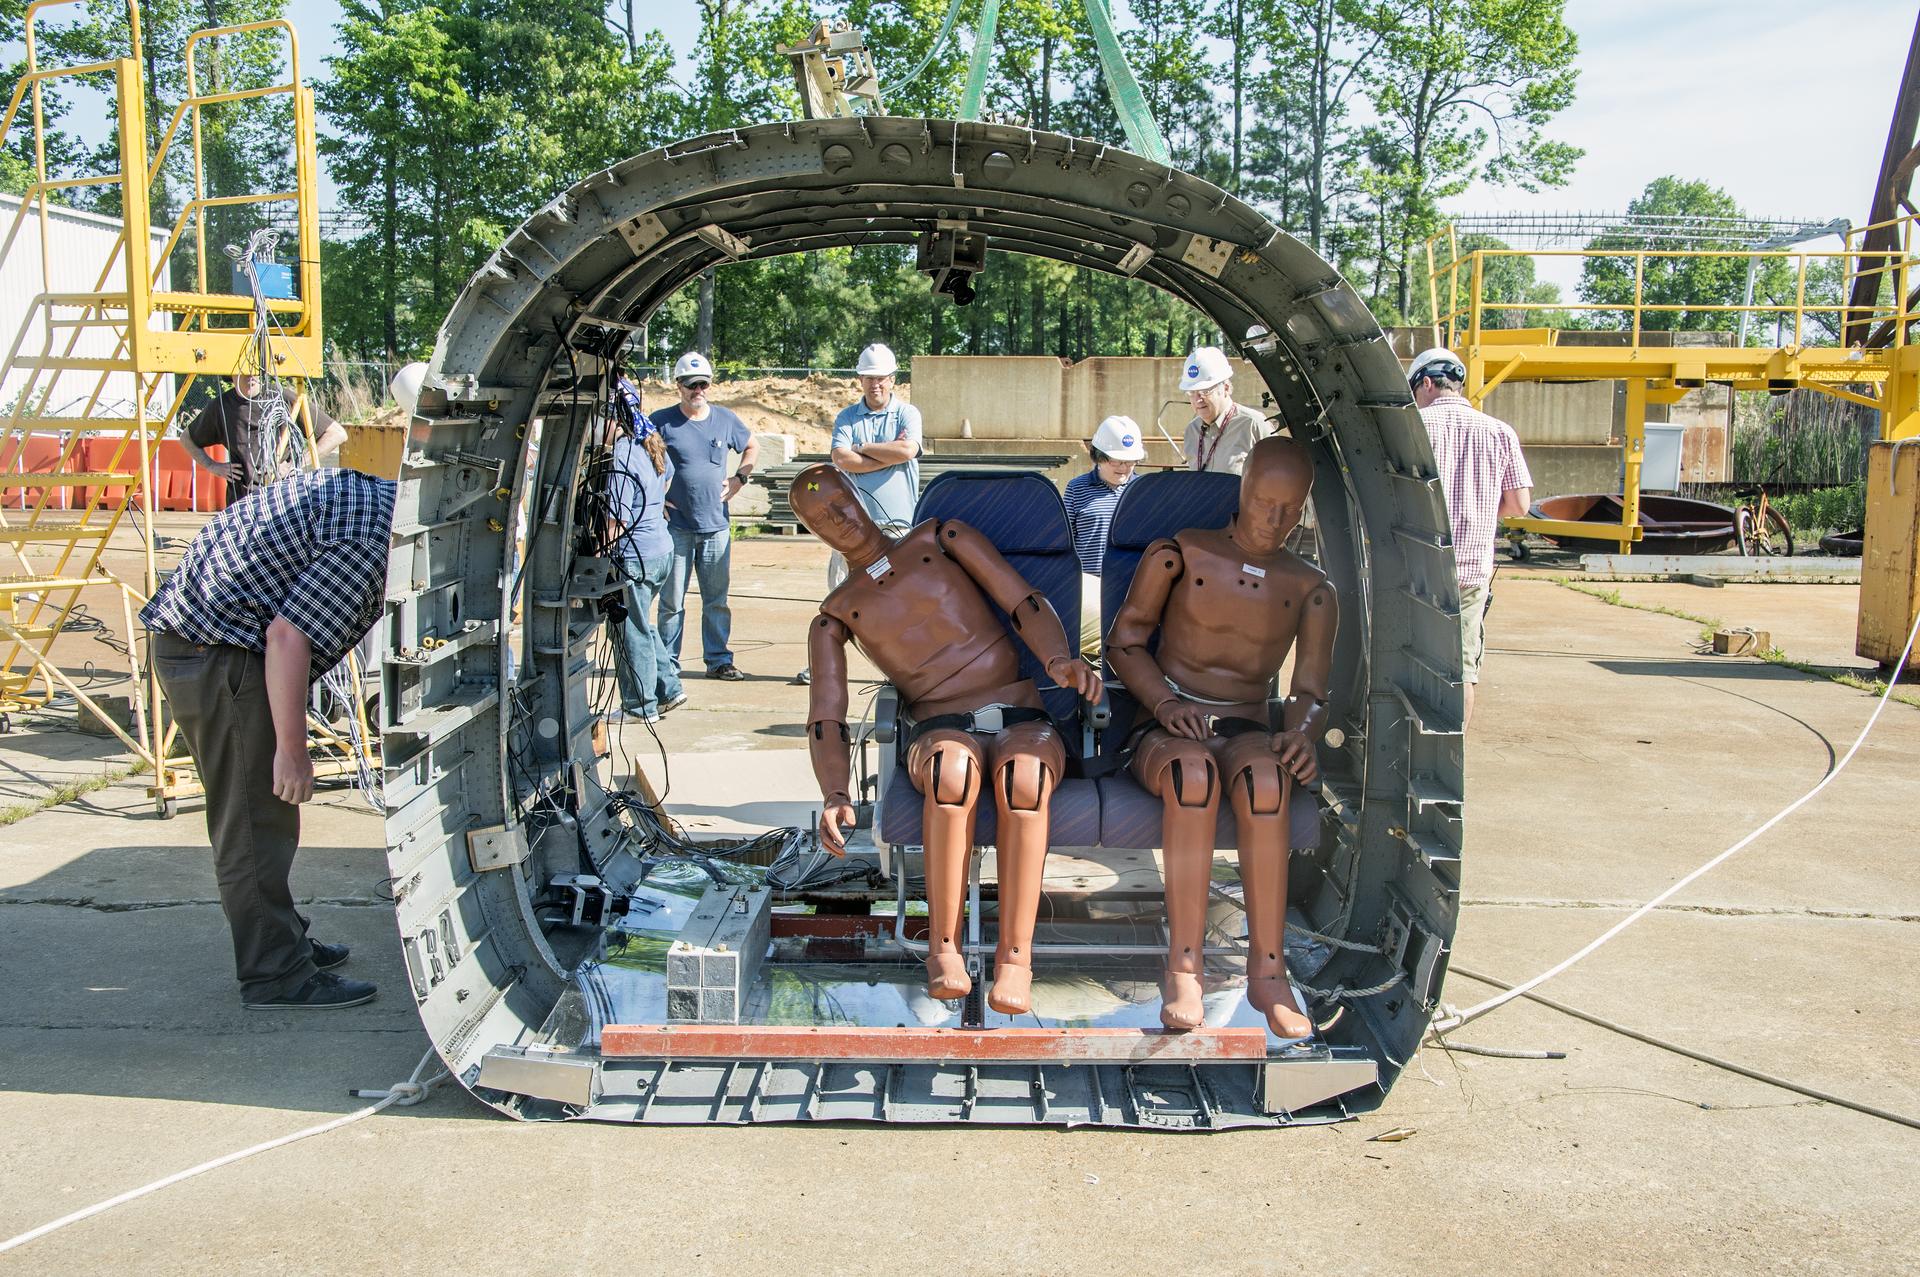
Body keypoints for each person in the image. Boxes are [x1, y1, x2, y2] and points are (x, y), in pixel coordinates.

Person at [792, 465, 1100, 1013]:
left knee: (1025, 775)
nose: (838, 519)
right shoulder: (834, 615)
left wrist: (1057, 657)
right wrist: (835, 790)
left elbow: (1023, 600)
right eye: (821, 519)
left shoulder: (941, 537)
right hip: (938, 727)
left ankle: (1016, 958)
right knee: (949, 773)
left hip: (1020, 709)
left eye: (840, 503)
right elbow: (827, 716)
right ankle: (943, 948)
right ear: (813, 533)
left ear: (858, 495)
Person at [139, 468, 394, 1010]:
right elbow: (287, 636)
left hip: (204, 640)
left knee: (262, 818)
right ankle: (276, 974)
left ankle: (282, 939)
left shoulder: (372, 497)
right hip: (217, 654)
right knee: (256, 823)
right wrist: (293, 751)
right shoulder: (375, 537)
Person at [1107, 437, 1334, 1039]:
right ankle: (1184, 967)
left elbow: (1311, 690)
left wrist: (1301, 735)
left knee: (1267, 783)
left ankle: (1269, 974)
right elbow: (1124, 643)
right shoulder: (1180, 554)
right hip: (1166, 724)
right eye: (1263, 503)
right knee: (1192, 777)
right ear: (1243, 490)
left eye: (1289, 509)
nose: (1273, 520)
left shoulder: (1309, 588)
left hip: (1247, 726)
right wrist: (1163, 702)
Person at [1407, 347, 1533, 729]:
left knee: (1408, 662)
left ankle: (1412, 746)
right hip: (1471, 575)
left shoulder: (1413, 426)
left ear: (1426, 384)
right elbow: (1520, 504)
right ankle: (1452, 748)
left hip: (1416, 570)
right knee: (1462, 670)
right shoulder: (1500, 431)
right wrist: (1482, 509)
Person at [792, 343, 924, 685]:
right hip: (850, 529)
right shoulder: (847, 417)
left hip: (898, 527)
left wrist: (862, 449)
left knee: (899, 598)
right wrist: (885, 455)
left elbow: (907, 450)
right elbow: (840, 459)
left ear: (892, 379)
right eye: (868, 378)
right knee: (840, 598)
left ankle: (903, 668)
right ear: (860, 380)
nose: (875, 384)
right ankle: (823, 667)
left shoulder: (907, 414)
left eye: (880, 378)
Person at [652, 352, 759, 682]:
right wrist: (655, 500)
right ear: (678, 386)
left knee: (716, 600)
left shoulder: (725, 420)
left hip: (716, 527)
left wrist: (740, 478)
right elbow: (641, 457)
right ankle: (668, 666)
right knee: (671, 602)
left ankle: (718, 659)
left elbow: (751, 446)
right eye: (691, 385)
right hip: (676, 528)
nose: (697, 390)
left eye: (703, 385)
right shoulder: (661, 421)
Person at [604, 375, 686, 723]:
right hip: (660, 549)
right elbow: (667, 477)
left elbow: (616, 518)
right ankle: (668, 689)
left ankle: (639, 707)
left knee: (629, 630)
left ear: (612, 418)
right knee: (643, 624)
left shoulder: (622, 455)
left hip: (634, 556)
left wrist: (600, 556)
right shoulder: (648, 443)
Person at [181, 372, 347, 504]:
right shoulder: (221, 407)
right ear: (231, 374)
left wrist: (294, 464)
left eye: (255, 370)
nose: (251, 375)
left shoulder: (281, 397)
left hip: (283, 501)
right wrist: (212, 466)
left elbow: (336, 433)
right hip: (242, 504)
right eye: (244, 371)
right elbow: (187, 439)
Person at [1062, 414, 1146, 655]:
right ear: (1099, 456)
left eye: (1130, 462)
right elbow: (1065, 540)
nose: (1124, 468)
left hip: (1133, 588)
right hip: (1089, 588)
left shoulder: (1143, 490)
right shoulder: (1077, 489)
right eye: (1117, 461)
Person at [1179, 345, 1271, 475]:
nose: (1197, 400)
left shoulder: (1253, 424)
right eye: (1191, 392)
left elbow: (1279, 472)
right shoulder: (1192, 430)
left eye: (1205, 391)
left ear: (1226, 388)